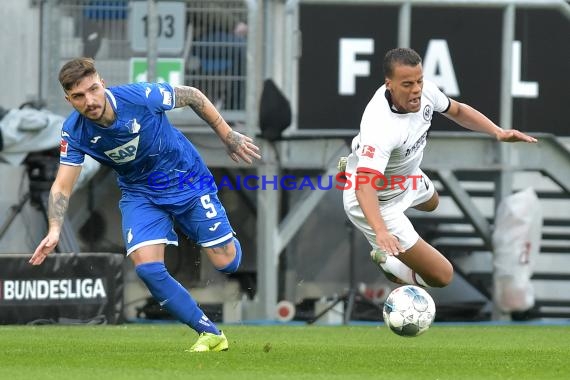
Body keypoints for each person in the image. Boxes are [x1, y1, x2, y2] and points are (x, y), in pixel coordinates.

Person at [29, 57, 260, 352]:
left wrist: (228, 136)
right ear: (68, 99)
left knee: (227, 262)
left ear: (103, 84)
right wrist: (54, 228)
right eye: (78, 96)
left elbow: (193, 96)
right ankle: (210, 334)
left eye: (93, 89)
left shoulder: (140, 96)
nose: (89, 100)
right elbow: (62, 185)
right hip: (140, 194)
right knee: (147, 269)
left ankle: (220, 236)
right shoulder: (74, 131)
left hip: (186, 180)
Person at [341, 48, 537, 288]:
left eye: (419, 81)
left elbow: (458, 110)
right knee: (441, 276)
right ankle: (386, 260)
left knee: (433, 202)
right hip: (376, 201)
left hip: (407, 178)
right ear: (389, 84)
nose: (415, 90)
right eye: (407, 84)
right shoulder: (381, 127)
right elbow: (364, 187)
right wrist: (381, 231)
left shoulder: (426, 93)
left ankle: (356, 164)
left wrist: (497, 131)